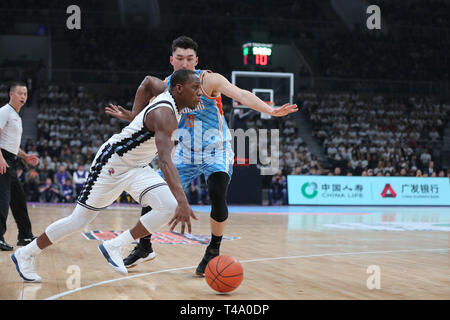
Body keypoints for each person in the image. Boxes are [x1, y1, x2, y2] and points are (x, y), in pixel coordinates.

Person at [106, 36, 298, 275]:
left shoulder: (209, 80)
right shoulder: (166, 87)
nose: (185, 63)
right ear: (171, 60)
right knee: (152, 193)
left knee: (217, 192)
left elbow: (241, 94)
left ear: (196, 60)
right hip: (185, 152)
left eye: (189, 59)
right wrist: (130, 116)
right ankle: (144, 246)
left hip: (216, 150)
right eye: (180, 59)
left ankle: (213, 250)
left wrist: (270, 109)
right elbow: (150, 113)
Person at [10, 69, 201, 282]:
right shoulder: (165, 114)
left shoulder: (169, 94)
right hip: (113, 162)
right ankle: (25, 254)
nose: (200, 93)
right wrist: (184, 200)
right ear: (179, 89)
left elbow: (147, 82)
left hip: (137, 166)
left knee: (168, 206)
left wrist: (135, 117)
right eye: (195, 88)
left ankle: (114, 246)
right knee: (78, 220)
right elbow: (165, 161)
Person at [0, 82, 38, 251]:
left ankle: (25, 235)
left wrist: (25, 156)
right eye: (20, 93)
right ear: (11, 94)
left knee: (19, 199)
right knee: (3, 200)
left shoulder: (17, 116)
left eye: (26, 94)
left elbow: (12, 145)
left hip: (11, 160)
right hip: (2, 160)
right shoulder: (4, 111)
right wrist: (0, 158)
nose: (23, 96)